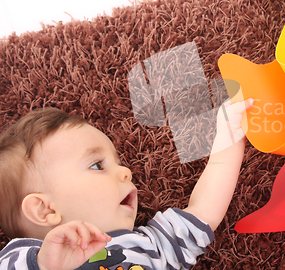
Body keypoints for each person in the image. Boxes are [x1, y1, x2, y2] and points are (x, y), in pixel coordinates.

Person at [0, 98, 254, 270]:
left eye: (117, 161)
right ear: (45, 210)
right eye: (97, 165)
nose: (125, 171)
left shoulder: (150, 244)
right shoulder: (21, 258)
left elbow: (203, 210)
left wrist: (228, 139)